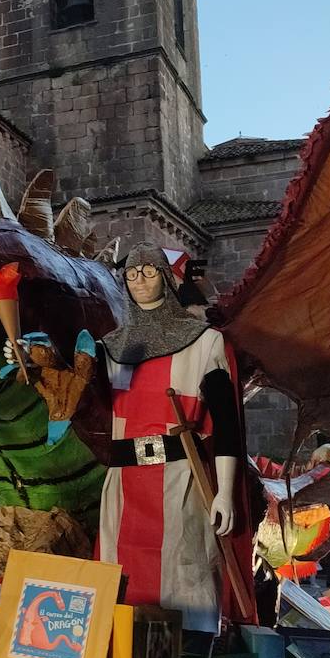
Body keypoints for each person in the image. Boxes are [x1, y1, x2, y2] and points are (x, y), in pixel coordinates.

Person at [93, 243, 255, 634]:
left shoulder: (204, 342)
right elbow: (77, 400)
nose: (139, 281)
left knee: (186, 575)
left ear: (166, 277)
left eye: (148, 271)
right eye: (131, 274)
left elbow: (227, 425)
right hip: (123, 483)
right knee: (121, 579)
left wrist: (225, 491)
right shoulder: (111, 349)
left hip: (180, 478)